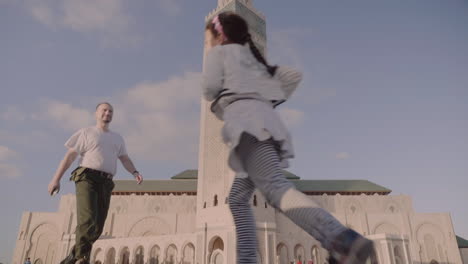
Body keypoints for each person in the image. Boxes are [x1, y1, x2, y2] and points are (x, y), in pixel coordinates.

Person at [202, 12, 376, 264]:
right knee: (239, 198)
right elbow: (293, 76)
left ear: (221, 36)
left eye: (210, 39)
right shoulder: (253, 62)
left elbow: (208, 89)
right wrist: (264, 99)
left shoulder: (220, 54)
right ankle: (248, 259)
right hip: (266, 130)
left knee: (275, 187)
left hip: (249, 130)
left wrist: (234, 96)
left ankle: (342, 239)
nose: (208, 44)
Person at [48, 102, 143, 264]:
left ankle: (72, 257)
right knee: (88, 219)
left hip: (106, 182)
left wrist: (134, 172)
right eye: (104, 110)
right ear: (96, 113)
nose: (107, 113)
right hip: (87, 178)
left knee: (98, 226)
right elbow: (70, 156)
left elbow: (124, 158)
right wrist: (55, 179)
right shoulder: (87, 132)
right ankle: (80, 257)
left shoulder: (117, 138)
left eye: (110, 111)